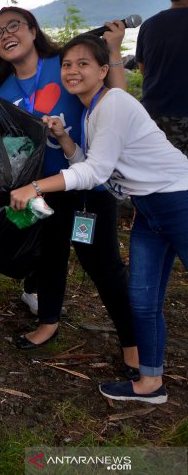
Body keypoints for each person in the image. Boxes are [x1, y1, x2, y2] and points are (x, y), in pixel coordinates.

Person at [10, 34, 188, 404]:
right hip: (148, 212)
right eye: (67, 64)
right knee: (143, 300)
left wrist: (35, 187)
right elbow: (93, 167)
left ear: (104, 70)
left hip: (179, 202)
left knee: (128, 286)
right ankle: (149, 384)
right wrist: (65, 138)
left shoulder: (115, 103)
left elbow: (94, 173)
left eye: (83, 63)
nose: (73, 71)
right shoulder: (92, 112)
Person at [0, 7, 139, 381]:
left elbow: (115, 97)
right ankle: (48, 322)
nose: (5, 34)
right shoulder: (2, 90)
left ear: (33, 30)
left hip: (85, 184)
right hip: (39, 190)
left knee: (104, 267)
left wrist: (113, 54)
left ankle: (133, 345)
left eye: (13, 25)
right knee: (48, 256)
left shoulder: (64, 65)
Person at [135, 0, 188, 155]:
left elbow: (143, 68)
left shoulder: (149, 24)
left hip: (155, 113)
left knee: (164, 170)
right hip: (183, 112)